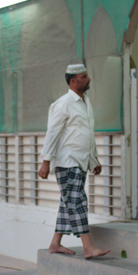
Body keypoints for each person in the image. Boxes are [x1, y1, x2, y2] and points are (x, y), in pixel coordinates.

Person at [38, 63, 111, 259]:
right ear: (73, 81)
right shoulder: (64, 103)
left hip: (80, 161)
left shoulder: (85, 102)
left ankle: (55, 244)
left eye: (87, 76)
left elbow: (87, 133)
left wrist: (93, 159)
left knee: (68, 202)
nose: (88, 79)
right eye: (84, 77)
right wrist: (45, 161)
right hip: (66, 162)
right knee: (77, 201)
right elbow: (52, 133)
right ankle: (88, 247)